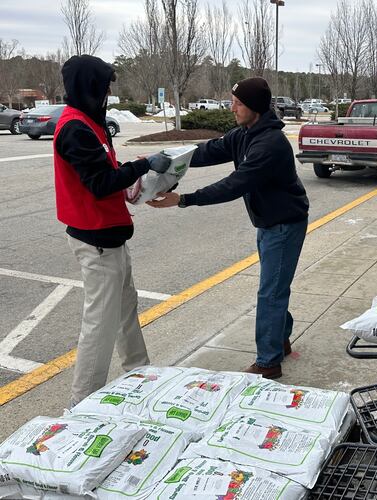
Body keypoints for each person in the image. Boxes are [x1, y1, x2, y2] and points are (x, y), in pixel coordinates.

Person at [147, 77, 309, 379]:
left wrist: (183, 200)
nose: (232, 107)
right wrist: (164, 160)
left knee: (270, 292)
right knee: (274, 287)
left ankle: (268, 361)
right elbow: (207, 151)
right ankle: (280, 339)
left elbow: (233, 185)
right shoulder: (245, 133)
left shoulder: (270, 145)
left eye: (238, 103)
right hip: (270, 222)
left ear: (255, 108)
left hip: (284, 225)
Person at [53, 54, 172, 406]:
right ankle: (81, 404)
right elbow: (100, 182)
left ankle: (139, 371)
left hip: (112, 236)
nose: (107, 93)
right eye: (104, 86)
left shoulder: (92, 122)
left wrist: (137, 181)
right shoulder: (75, 128)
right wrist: (142, 164)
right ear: (89, 87)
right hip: (95, 241)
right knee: (100, 325)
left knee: (125, 313)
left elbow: (108, 169)